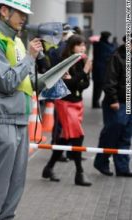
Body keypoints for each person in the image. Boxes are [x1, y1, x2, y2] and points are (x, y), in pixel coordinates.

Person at [0, 0, 42, 219]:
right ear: (4, 11)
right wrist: (30, 58)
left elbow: (26, 81)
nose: (24, 18)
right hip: (2, 120)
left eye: (25, 13)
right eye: (20, 13)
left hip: (20, 120)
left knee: (15, 188)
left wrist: (53, 80)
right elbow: (7, 82)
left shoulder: (17, 43)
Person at [42, 35, 93, 186]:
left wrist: (79, 77)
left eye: (84, 45)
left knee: (65, 138)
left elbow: (84, 85)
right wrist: (83, 73)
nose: (82, 48)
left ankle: (48, 168)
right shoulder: (66, 63)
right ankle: (79, 172)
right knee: (78, 137)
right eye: (79, 45)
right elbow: (69, 85)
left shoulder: (81, 62)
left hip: (78, 103)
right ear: (71, 47)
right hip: (65, 104)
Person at [94, 35, 132, 177]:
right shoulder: (116, 57)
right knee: (111, 134)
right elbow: (109, 81)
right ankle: (101, 161)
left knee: (126, 135)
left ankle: (122, 168)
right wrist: (113, 100)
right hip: (117, 103)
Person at [92, 31, 115, 108]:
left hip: (97, 70)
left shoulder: (97, 45)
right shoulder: (105, 46)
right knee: (101, 87)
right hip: (102, 71)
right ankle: (97, 103)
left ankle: (95, 102)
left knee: (96, 88)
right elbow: (111, 51)